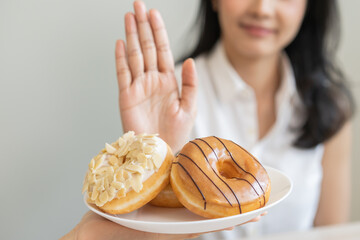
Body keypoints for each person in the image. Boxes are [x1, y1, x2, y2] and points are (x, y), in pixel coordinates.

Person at [62, 0, 354, 239]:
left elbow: (329, 232)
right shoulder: (163, 97)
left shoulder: (330, 108)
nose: (263, 8)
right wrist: (157, 157)